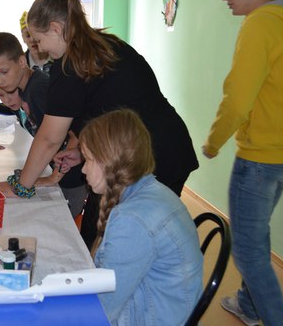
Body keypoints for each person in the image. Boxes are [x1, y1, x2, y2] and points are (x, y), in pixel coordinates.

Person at [2, 0, 198, 247]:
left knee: (120, 237)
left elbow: (49, 138)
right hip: (168, 146)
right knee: (113, 234)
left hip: (149, 158)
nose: (40, 49)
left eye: (39, 40)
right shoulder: (105, 44)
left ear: (56, 29)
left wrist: (22, 186)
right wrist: (80, 150)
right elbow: (106, 107)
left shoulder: (69, 65)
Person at [202, 0, 283, 326]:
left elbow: (238, 98)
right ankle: (249, 304)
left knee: (247, 250)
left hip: (260, 158)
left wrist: (214, 141)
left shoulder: (259, 25)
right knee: (256, 233)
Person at [80, 109, 202, 325]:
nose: (83, 169)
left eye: (88, 160)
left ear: (108, 162)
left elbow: (102, 310)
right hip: (164, 307)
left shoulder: (131, 220)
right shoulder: (153, 189)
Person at [0, 33, 88, 218]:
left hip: (70, 179)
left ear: (21, 62)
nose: (0, 80)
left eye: (4, 71)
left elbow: (75, 133)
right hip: (60, 173)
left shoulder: (39, 89)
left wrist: (53, 177)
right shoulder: (27, 90)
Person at [20, 11, 52, 75]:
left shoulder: (60, 59)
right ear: (23, 38)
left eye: (36, 34)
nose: (32, 39)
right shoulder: (19, 65)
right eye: (28, 35)